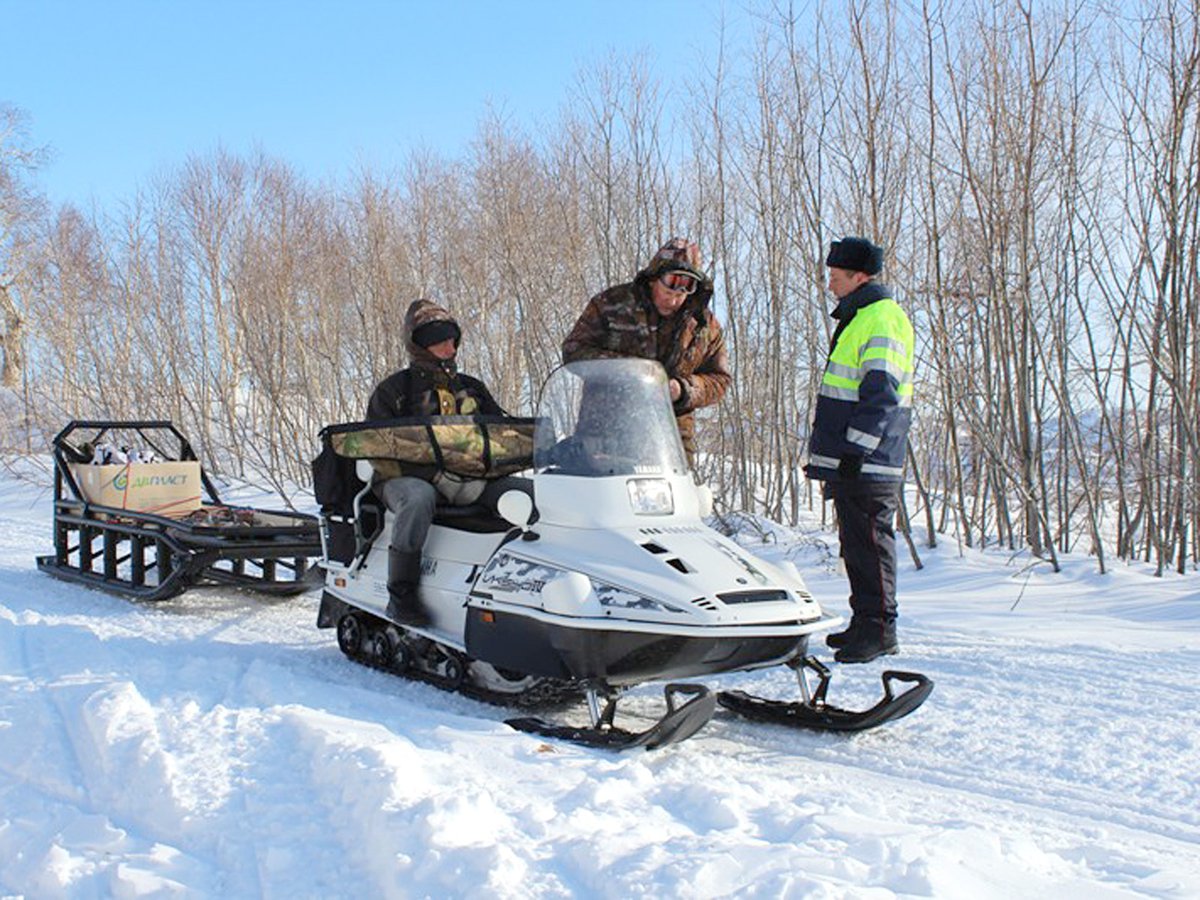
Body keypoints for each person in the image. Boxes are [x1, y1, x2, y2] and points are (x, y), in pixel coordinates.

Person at [366, 298, 520, 627]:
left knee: (528, 496)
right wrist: (433, 474)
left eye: (452, 337)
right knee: (419, 499)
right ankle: (401, 594)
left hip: (469, 479)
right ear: (418, 343)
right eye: (438, 338)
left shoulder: (472, 388)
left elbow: (502, 433)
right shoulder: (394, 391)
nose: (449, 345)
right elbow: (379, 451)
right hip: (403, 480)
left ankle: (519, 586)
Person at [804, 237, 914, 664]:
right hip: (853, 461)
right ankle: (863, 622)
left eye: (836, 277)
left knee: (871, 543)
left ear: (860, 276)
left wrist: (856, 450)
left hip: (869, 462)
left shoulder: (882, 318)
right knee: (855, 545)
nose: (830, 285)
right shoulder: (860, 316)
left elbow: (881, 395)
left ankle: (881, 630)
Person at [561, 237, 731, 469]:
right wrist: (631, 372)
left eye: (686, 287)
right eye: (670, 283)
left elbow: (720, 380)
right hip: (604, 435)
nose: (675, 296)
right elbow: (573, 350)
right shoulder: (611, 304)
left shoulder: (705, 326)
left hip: (668, 444)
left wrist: (683, 389)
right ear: (653, 278)